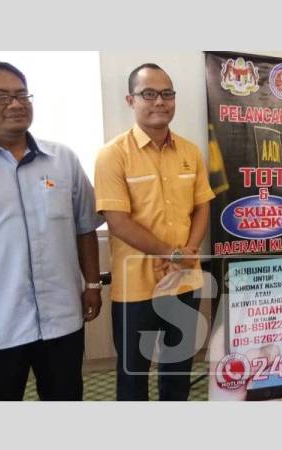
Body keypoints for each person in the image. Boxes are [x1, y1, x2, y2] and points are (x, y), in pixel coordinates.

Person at [0, 60, 103, 401]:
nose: (15, 104)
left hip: (61, 318)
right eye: (0, 96)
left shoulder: (63, 160)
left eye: (21, 95)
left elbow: (85, 227)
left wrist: (92, 284)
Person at [94, 63, 215, 401]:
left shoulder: (190, 152)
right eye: (149, 93)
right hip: (136, 286)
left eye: (167, 94)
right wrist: (172, 254)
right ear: (130, 99)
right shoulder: (112, 155)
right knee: (133, 371)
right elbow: (117, 221)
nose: (159, 101)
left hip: (184, 279)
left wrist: (188, 252)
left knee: (178, 368)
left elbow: (202, 206)